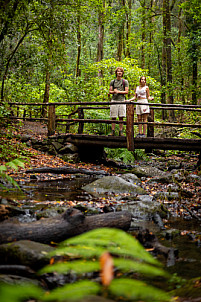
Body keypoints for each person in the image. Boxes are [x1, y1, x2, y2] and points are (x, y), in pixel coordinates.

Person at [109, 67, 129, 136]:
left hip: (122, 100)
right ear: (116, 73)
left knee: (121, 116)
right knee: (113, 116)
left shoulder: (125, 82)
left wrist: (119, 92)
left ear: (122, 73)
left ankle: (121, 131)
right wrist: (113, 91)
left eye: (121, 71)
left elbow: (126, 91)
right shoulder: (113, 81)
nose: (119, 73)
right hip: (114, 100)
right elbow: (110, 91)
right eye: (118, 71)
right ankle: (113, 131)